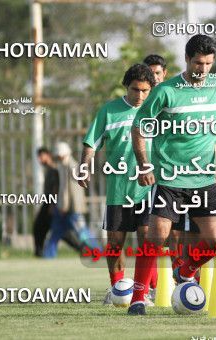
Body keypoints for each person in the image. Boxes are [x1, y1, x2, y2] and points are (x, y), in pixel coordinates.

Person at [128, 34, 216, 315]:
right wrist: (144, 165)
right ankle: (138, 297)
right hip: (170, 178)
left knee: (215, 240)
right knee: (156, 236)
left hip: (204, 178)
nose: (204, 69)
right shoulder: (166, 91)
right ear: (186, 59)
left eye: (209, 63)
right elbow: (138, 128)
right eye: (199, 63)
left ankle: (185, 271)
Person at [78, 64, 156, 305]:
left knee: (147, 239)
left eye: (145, 90)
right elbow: (92, 142)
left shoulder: (157, 111)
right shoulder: (109, 111)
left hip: (148, 189)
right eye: (135, 90)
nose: (140, 96)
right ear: (126, 86)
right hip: (118, 189)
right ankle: (116, 289)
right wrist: (84, 165)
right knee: (115, 243)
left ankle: (146, 291)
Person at [43, 142, 98, 258]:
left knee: (82, 232)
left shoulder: (71, 167)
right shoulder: (65, 166)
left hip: (72, 209)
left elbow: (67, 191)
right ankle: (48, 256)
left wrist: (63, 207)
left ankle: (99, 252)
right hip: (64, 208)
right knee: (55, 233)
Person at [33, 147, 81, 257]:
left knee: (61, 231)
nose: (40, 160)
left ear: (48, 155)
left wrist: (52, 204)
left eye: (41, 156)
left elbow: (56, 187)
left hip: (52, 203)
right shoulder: (50, 168)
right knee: (41, 228)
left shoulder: (54, 169)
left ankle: (83, 248)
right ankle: (39, 252)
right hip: (49, 202)